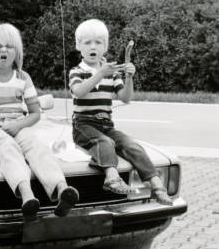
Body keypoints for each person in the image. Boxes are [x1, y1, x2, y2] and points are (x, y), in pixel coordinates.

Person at [0, 23, 79, 222]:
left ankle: (62, 190)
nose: (3, 50)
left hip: (17, 124)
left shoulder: (23, 78)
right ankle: (28, 196)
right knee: (7, 147)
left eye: (9, 46)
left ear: (16, 51)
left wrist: (18, 125)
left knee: (36, 147)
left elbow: (35, 113)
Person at [68, 18, 172, 205]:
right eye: (87, 42)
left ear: (105, 47)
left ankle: (157, 185)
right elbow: (78, 91)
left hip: (106, 124)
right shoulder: (77, 71)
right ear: (79, 46)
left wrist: (129, 77)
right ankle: (112, 177)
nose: (93, 46)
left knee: (132, 145)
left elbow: (125, 97)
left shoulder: (113, 72)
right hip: (83, 124)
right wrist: (99, 74)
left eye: (98, 42)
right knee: (105, 142)